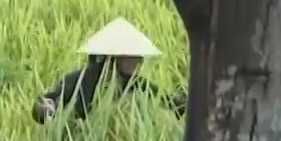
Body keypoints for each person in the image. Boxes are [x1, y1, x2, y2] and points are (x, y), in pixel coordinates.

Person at [35, 18, 186, 124]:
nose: (139, 61)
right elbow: (48, 101)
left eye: (139, 56)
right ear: (115, 56)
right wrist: (47, 107)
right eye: (133, 56)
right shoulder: (80, 80)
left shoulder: (137, 84)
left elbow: (170, 103)